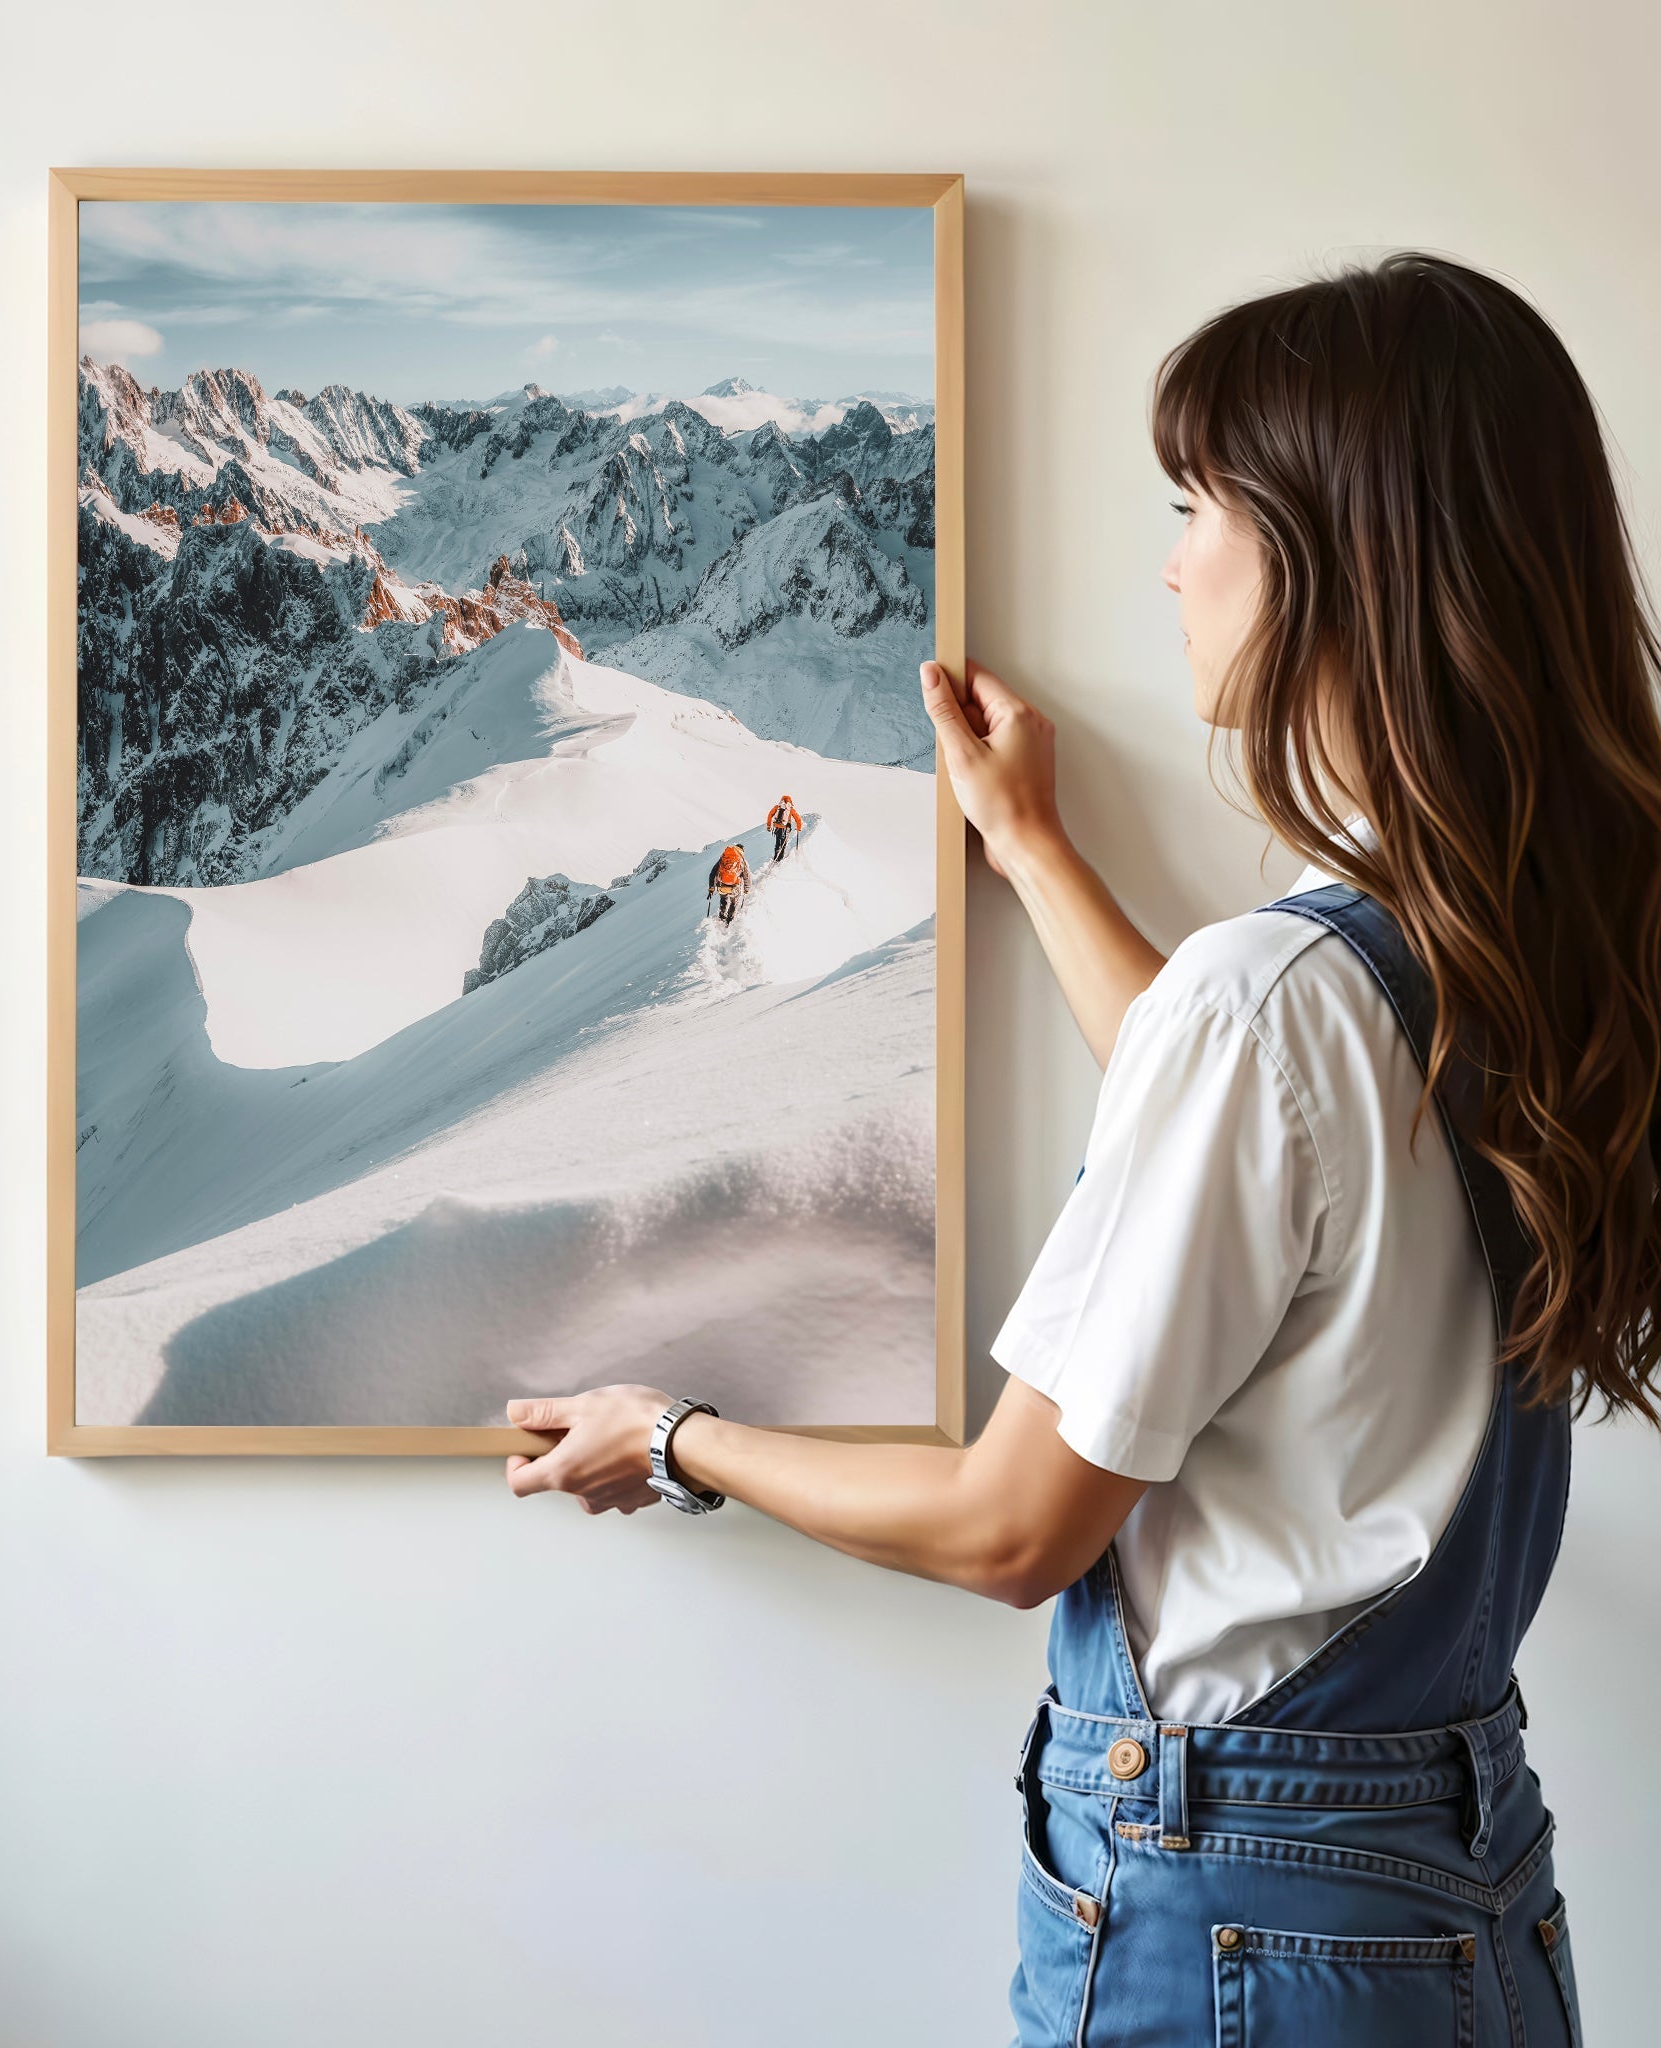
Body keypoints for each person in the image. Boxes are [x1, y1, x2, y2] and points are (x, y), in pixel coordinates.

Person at [502, 254, 1661, 2045]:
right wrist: (1033, 849)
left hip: (1238, 1913)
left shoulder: (1276, 996)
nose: (1170, 556)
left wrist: (673, 1435)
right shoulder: (1509, 941)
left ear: (1333, 557)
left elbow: (1009, 1523)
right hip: (1454, 1886)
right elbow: (1269, 1166)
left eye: (1198, 503)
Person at [705, 842, 750, 924]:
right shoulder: (742, 861)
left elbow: (712, 873)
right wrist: (746, 889)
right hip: (734, 887)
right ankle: (729, 920)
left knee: (723, 899)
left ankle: (722, 916)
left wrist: (712, 887)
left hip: (722, 885)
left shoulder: (724, 858)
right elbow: (746, 876)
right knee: (734, 902)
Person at [766, 793, 802, 862]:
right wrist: (798, 827)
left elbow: (770, 815)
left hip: (777, 827)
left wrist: (768, 825)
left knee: (777, 842)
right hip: (785, 828)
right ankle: (780, 857)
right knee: (783, 843)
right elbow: (798, 819)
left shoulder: (777, 807)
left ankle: (776, 856)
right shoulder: (790, 809)